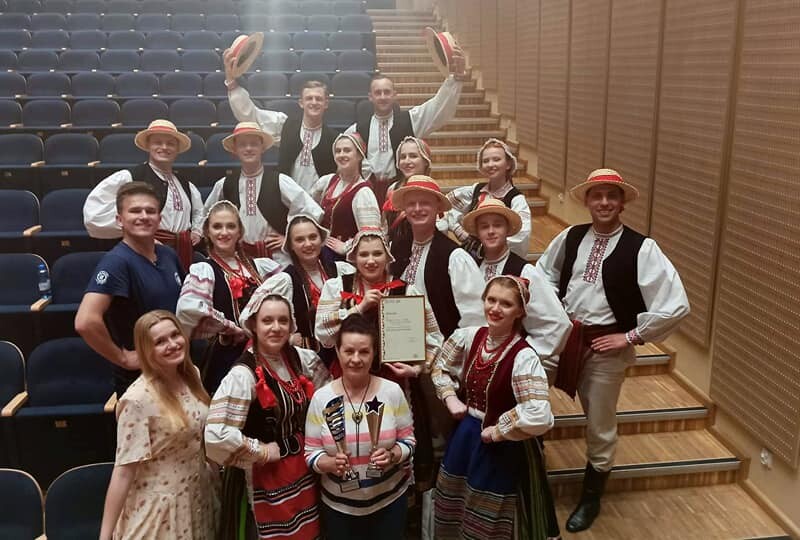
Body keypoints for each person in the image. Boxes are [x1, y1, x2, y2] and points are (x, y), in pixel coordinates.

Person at [534, 168, 690, 532]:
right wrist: (553, 313)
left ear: (621, 203)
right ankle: (529, 471)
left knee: (600, 423)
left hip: (606, 349)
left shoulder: (642, 248)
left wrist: (631, 336)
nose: (603, 202)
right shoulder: (571, 237)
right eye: (597, 195)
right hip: (564, 338)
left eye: (611, 196)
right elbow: (542, 275)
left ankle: (591, 496)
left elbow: (676, 305)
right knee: (530, 393)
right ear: (587, 201)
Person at [431, 276, 560, 540]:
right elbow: (440, 368)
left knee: (487, 510)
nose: (496, 308)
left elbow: (539, 413)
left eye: (506, 304)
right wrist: (450, 398)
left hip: (503, 446)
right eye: (491, 300)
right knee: (453, 499)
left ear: (520, 311)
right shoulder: (470, 337)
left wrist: (498, 430)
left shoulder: (524, 356)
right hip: (466, 435)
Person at [205, 273, 330, 540]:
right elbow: (215, 435)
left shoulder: (300, 359)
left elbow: (328, 397)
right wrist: (260, 451)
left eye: (283, 321)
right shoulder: (243, 375)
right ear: (254, 324)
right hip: (263, 479)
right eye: (267, 321)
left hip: (303, 473)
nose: (276, 328)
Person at [99, 310, 219, 540]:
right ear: (146, 350)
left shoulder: (191, 376)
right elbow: (123, 472)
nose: (172, 344)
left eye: (175, 335)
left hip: (198, 495)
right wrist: (105, 536)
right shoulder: (137, 400)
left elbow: (200, 437)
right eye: (160, 341)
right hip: (161, 509)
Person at [304, 314, 416, 540]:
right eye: (349, 351)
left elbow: (409, 441)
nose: (356, 359)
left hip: (389, 503)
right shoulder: (321, 398)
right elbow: (311, 453)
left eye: (364, 351)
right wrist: (329, 464)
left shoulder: (392, 392)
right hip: (339, 509)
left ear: (374, 354)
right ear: (338, 351)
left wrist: (393, 455)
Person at [76, 182, 185, 397]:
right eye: (135, 210)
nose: (144, 216)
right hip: (143, 378)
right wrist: (123, 358)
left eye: (150, 211)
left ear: (159, 219)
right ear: (119, 219)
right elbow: (85, 321)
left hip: (176, 366)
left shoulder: (168, 255)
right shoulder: (116, 262)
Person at [176, 201, 283, 393]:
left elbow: (286, 294)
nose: (224, 232)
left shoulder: (260, 267)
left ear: (239, 232)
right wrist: (231, 328)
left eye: (230, 226)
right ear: (207, 232)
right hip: (228, 357)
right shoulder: (205, 270)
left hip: (267, 353)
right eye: (217, 226)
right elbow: (189, 309)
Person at [461, 197, 571, 363]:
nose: (491, 231)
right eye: (484, 226)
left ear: (507, 229)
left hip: (507, 366)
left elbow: (558, 324)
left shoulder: (525, 272)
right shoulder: (471, 266)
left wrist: (518, 357)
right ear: (477, 232)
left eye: (497, 225)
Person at [83, 119, 204, 270]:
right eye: (157, 142)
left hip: (182, 252)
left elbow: (199, 211)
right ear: (148, 146)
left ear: (177, 149)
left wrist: (197, 231)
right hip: (144, 251)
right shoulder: (129, 177)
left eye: (170, 143)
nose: (164, 147)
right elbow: (93, 215)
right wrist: (139, 231)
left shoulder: (186, 184)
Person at [202, 122, 324, 266]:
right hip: (239, 259)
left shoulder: (280, 181)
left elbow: (313, 211)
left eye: (254, 144)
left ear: (262, 148)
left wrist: (289, 238)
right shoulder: (224, 184)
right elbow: (205, 216)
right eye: (242, 144)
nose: (248, 148)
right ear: (235, 150)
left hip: (277, 259)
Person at [345, 65, 467, 205]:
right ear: (370, 97)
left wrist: (454, 80)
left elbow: (437, 107)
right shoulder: (357, 129)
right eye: (378, 93)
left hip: (401, 190)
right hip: (368, 193)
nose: (383, 97)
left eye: (387, 92)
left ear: (394, 95)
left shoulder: (410, 120)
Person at [224, 48, 337, 192]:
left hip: (321, 201)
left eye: (319, 99)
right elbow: (251, 115)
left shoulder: (335, 138)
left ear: (326, 104)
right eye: (309, 98)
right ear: (301, 103)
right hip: (287, 199)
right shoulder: (284, 126)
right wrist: (231, 83)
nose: (314, 102)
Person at [389, 175, 484, 339]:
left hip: (442, 345)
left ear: (438, 208)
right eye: (411, 204)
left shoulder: (455, 258)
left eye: (425, 203)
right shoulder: (396, 247)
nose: (417, 209)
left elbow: (475, 318)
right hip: (400, 341)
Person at [281, 214, 354, 369]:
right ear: (291, 245)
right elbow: (254, 316)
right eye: (300, 239)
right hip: (310, 364)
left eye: (313, 237)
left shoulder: (341, 270)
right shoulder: (286, 280)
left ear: (321, 239)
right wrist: (287, 338)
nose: (308, 244)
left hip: (348, 356)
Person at [442, 138, 531, 259]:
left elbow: (521, 236)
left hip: (498, 259)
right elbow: (445, 205)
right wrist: (458, 230)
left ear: (508, 164)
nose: (490, 164)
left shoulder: (515, 199)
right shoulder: (476, 190)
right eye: (485, 161)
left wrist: (492, 246)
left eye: (496, 159)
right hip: (471, 255)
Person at [310, 133, 381, 257]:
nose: (341, 154)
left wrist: (346, 247)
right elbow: (309, 209)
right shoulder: (328, 181)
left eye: (347, 150)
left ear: (359, 155)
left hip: (344, 260)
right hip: (321, 253)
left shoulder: (363, 192)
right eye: (338, 151)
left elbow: (372, 235)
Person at [383, 136, 433, 249]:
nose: (406, 161)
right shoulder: (392, 189)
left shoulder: (432, 192)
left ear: (425, 161)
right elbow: (385, 227)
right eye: (403, 157)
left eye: (413, 156)